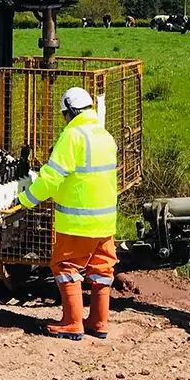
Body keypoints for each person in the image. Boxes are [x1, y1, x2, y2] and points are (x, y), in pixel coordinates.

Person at [14, 86, 118, 340]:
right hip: (105, 222)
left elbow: (50, 179)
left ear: (69, 112)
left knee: (65, 266)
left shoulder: (72, 136)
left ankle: (72, 323)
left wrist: (25, 200)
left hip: (77, 222)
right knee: (101, 270)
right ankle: (98, 322)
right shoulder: (105, 136)